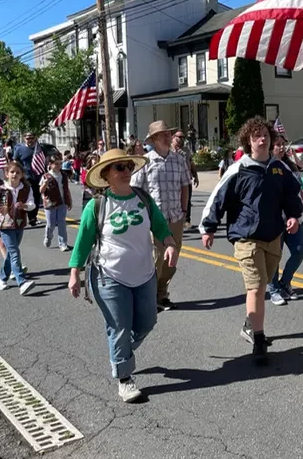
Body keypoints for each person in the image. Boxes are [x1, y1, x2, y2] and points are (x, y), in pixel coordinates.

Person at [68, 149, 177, 403]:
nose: (126, 171)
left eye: (128, 166)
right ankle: (125, 379)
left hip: (144, 274)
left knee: (147, 322)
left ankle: (120, 354)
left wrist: (169, 244)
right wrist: (75, 273)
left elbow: (160, 226)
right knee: (119, 327)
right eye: (119, 168)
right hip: (109, 276)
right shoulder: (97, 206)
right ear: (106, 175)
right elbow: (83, 242)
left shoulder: (143, 199)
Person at [200, 117, 302, 366]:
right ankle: (258, 339)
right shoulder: (239, 169)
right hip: (246, 237)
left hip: (274, 236)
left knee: (265, 282)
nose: (262, 138)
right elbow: (217, 199)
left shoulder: (279, 168)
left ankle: (250, 323)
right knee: (256, 287)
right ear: (248, 141)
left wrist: (294, 216)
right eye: (256, 135)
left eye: (265, 134)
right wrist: (208, 227)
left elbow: (292, 193)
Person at [131, 121, 191, 311]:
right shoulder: (146, 161)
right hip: (154, 220)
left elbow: (185, 186)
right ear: (155, 139)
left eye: (168, 133)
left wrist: (184, 211)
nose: (168, 137)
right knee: (157, 258)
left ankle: (162, 292)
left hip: (175, 217)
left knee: (173, 258)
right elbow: (136, 190)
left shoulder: (178, 160)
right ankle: (151, 295)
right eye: (163, 134)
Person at [267, 134, 303, 305]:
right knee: (275, 256)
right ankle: (274, 289)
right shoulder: (266, 166)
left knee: (299, 250)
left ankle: (285, 282)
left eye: (282, 144)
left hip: (294, 216)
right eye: (277, 144)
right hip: (276, 219)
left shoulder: (290, 166)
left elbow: (297, 190)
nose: (281, 147)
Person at [0, 162, 36, 296]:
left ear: (22, 175)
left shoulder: (26, 188)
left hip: (19, 223)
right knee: (15, 252)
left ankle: (2, 278)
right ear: (6, 174)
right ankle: (21, 282)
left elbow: (32, 204)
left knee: (11, 253)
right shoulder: (0, 190)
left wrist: (25, 206)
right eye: (12, 172)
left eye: (17, 172)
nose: (14, 175)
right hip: (4, 225)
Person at [40, 154, 72, 252]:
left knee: (62, 223)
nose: (59, 166)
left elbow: (66, 189)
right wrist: (45, 184)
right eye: (56, 164)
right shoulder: (46, 176)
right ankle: (48, 237)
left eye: (60, 164)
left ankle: (63, 243)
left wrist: (69, 200)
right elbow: (41, 190)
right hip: (50, 203)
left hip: (62, 202)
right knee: (51, 224)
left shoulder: (63, 175)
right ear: (50, 164)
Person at [13, 132, 45, 227]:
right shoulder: (19, 149)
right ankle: (21, 217)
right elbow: (15, 162)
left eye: (32, 138)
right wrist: (18, 174)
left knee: (35, 198)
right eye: (28, 138)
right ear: (24, 139)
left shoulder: (40, 148)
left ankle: (33, 218)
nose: (30, 140)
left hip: (38, 177)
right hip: (25, 177)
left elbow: (46, 161)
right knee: (24, 197)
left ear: (35, 138)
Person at [171, 130, 199, 230]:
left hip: (186, 178)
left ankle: (187, 220)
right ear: (173, 137)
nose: (181, 139)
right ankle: (176, 220)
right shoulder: (170, 150)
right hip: (175, 180)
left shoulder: (186, 150)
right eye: (179, 137)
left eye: (183, 137)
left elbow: (191, 163)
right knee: (176, 200)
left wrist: (195, 175)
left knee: (187, 200)